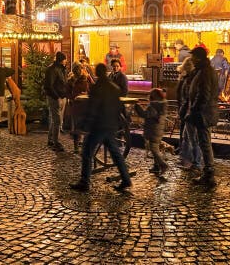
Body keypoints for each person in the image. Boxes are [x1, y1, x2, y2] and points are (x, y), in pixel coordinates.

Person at [69, 64, 133, 192]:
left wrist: (83, 124)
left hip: (98, 126)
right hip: (110, 125)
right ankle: (126, 179)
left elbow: (92, 108)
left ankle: (84, 182)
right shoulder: (114, 88)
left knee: (87, 152)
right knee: (116, 154)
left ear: (98, 73)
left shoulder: (97, 88)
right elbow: (119, 106)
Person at [186, 46, 219, 188]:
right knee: (204, 142)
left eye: (193, 56)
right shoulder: (203, 70)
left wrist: (194, 110)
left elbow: (203, 94)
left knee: (204, 143)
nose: (191, 59)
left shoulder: (205, 72)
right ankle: (208, 172)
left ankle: (209, 174)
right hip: (204, 112)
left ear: (198, 58)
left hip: (203, 113)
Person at [133, 88, 168, 175]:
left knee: (154, 149)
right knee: (154, 148)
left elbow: (144, 114)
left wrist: (137, 106)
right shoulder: (161, 106)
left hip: (153, 131)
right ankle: (156, 166)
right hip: (157, 131)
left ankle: (163, 165)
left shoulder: (154, 106)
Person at [176, 57, 200, 170]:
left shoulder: (190, 80)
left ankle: (196, 162)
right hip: (190, 112)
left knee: (192, 138)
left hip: (190, 112)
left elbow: (187, 98)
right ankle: (186, 159)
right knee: (187, 137)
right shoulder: (191, 79)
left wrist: (182, 111)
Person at [43, 51, 69, 152]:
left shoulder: (62, 69)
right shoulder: (52, 69)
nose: (66, 61)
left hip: (62, 96)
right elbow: (49, 85)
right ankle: (56, 142)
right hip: (55, 98)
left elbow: (63, 83)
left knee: (56, 120)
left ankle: (51, 139)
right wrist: (57, 97)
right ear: (61, 60)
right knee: (57, 120)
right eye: (65, 59)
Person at [67, 62, 92, 153]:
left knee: (86, 126)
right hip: (76, 106)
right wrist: (73, 97)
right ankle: (76, 146)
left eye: (80, 68)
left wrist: (87, 94)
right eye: (77, 69)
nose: (79, 70)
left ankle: (85, 145)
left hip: (86, 105)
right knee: (76, 126)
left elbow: (93, 88)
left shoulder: (87, 78)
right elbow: (67, 92)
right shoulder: (71, 80)